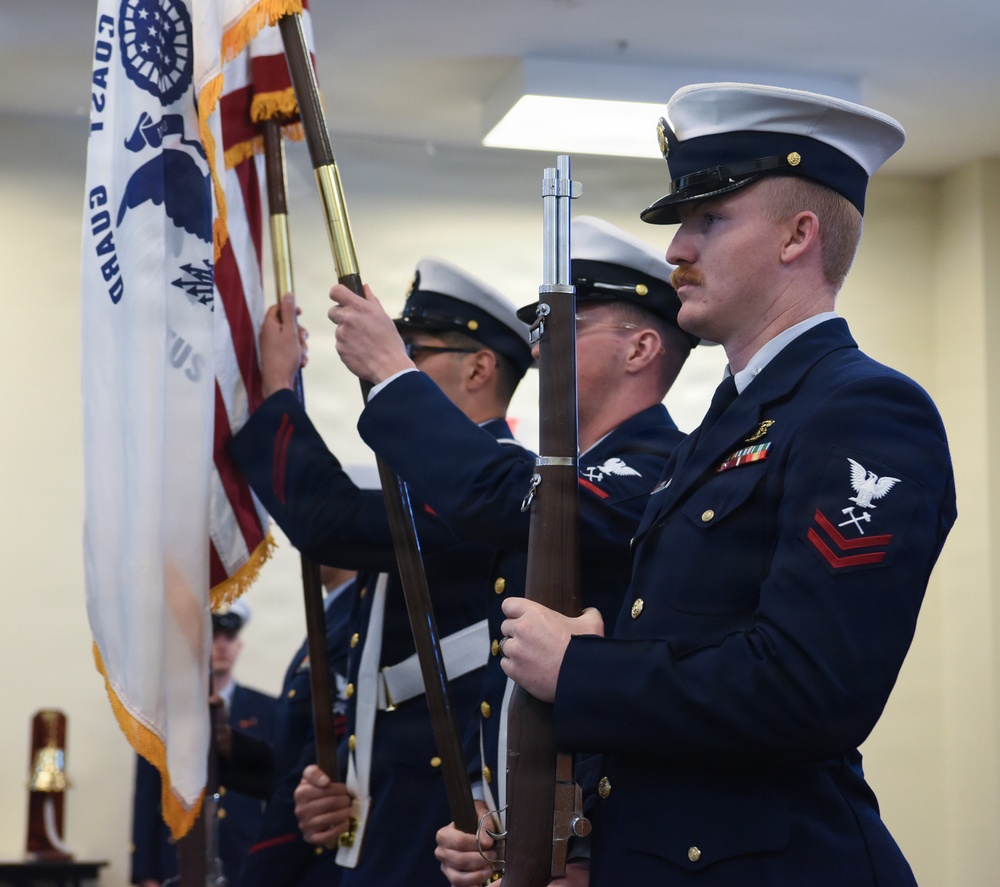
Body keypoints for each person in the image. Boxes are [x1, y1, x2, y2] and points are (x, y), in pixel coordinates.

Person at [498, 83, 958, 886]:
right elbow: (697, 647)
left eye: (709, 219)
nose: (677, 248)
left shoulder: (866, 411)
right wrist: (585, 839)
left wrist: (582, 669)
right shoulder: (727, 422)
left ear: (797, 236)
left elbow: (806, 688)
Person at [327, 216, 698, 886]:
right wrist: (488, 807)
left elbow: (506, 499)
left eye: (565, 325)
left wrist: (392, 371)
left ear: (640, 348)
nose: (539, 344)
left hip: (605, 848)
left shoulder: (658, 467)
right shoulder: (581, 471)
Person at [228, 258, 535, 886]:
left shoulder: (495, 482)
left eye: (413, 351)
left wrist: (277, 391)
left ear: (479, 369)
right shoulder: (431, 485)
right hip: (389, 818)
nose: (384, 364)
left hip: (447, 828)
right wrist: (331, 779)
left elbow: (331, 523)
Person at [130, 600, 277, 886]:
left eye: (229, 637)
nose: (221, 646)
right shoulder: (163, 715)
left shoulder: (268, 709)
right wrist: (146, 874)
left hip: (246, 860)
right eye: (213, 636)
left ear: (239, 645)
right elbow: (147, 798)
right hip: (180, 858)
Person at [234, 566, 356, 887]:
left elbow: (319, 770)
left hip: (322, 860)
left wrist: (257, 873)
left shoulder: (354, 617)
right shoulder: (334, 615)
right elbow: (290, 761)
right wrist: (226, 747)